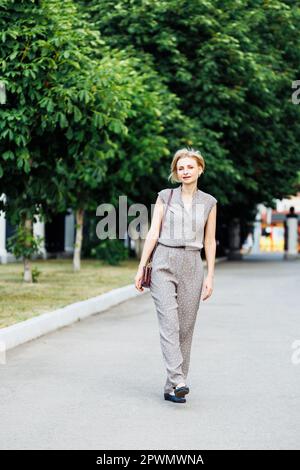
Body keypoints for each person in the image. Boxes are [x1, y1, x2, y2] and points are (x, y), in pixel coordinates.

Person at [134, 148, 218, 404]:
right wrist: (141, 267)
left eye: (190, 167)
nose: (185, 171)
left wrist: (210, 276)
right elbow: (152, 233)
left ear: (199, 169)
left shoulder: (209, 202)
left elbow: (210, 241)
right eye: (180, 168)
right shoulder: (165, 196)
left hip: (193, 263)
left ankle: (172, 387)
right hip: (164, 261)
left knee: (185, 327)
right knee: (169, 323)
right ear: (176, 172)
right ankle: (179, 380)